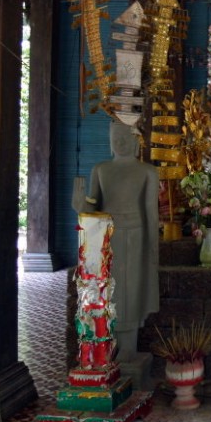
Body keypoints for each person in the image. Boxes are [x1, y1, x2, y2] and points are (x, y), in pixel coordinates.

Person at [72, 121, 161, 362]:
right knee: (108, 288)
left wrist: (153, 246)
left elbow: (151, 213)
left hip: (135, 235)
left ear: (135, 141)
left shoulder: (147, 172)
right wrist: (81, 205)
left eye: (125, 136)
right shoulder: (101, 169)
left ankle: (129, 345)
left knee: (130, 288)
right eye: (116, 136)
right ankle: (106, 342)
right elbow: (94, 205)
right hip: (106, 235)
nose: (120, 141)